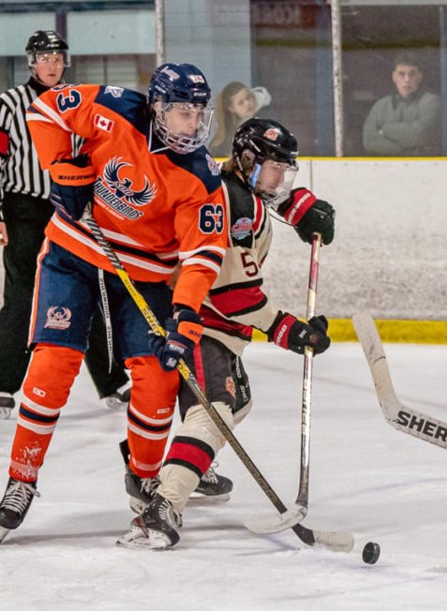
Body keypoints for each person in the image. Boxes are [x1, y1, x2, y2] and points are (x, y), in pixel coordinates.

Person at [0, 62, 230, 540]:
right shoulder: (114, 106)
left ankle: (144, 476)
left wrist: (185, 314)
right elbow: (45, 109)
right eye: (183, 112)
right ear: (157, 107)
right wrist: (62, 166)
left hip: (143, 278)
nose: (193, 124)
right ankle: (21, 478)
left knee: (159, 376)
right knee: (51, 366)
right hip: (73, 253)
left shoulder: (202, 178)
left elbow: (203, 257)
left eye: (198, 113)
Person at [118, 118, 336, 549]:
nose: (281, 178)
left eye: (285, 170)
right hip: (200, 321)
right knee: (215, 408)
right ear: (249, 160)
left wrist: (300, 207)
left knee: (236, 401)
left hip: (205, 320)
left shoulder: (237, 188)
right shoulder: (235, 206)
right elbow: (234, 294)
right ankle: (163, 503)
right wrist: (290, 331)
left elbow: (261, 202)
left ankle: (186, 467)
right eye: (275, 168)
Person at [0, 30, 129, 419]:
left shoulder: (77, 101)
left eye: (57, 58)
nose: (51, 64)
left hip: (70, 208)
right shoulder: (10, 103)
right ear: (31, 62)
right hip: (23, 211)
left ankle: (112, 381)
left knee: (89, 289)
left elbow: (94, 151)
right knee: (24, 297)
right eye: (44, 58)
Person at [362, 53, 440, 156]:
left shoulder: (431, 102)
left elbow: (419, 134)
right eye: (401, 74)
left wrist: (384, 130)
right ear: (394, 77)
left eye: (412, 74)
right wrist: (404, 151)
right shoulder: (381, 105)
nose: (407, 79)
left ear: (419, 77)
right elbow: (369, 141)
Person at [208, 81, 274, 157]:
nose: (247, 103)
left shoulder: (269, 120)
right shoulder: (223, 143)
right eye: (240, 102)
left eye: (248, 98)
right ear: (232, 108)